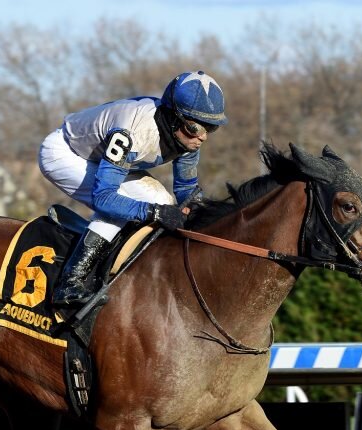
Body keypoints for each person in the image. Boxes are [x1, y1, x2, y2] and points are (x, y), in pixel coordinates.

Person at [38, 70, 227, 306]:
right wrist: (155, 213)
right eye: (195, 128)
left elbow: (186, 191)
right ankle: (69, 283)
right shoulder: (131, 132)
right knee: (121, 209)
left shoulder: (188, 139)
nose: (202, 137)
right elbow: (104, 198)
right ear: (173, 118)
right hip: (64, 152)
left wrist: (207, 217)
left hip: (100, 159)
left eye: (210, 128)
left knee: (162, 199)